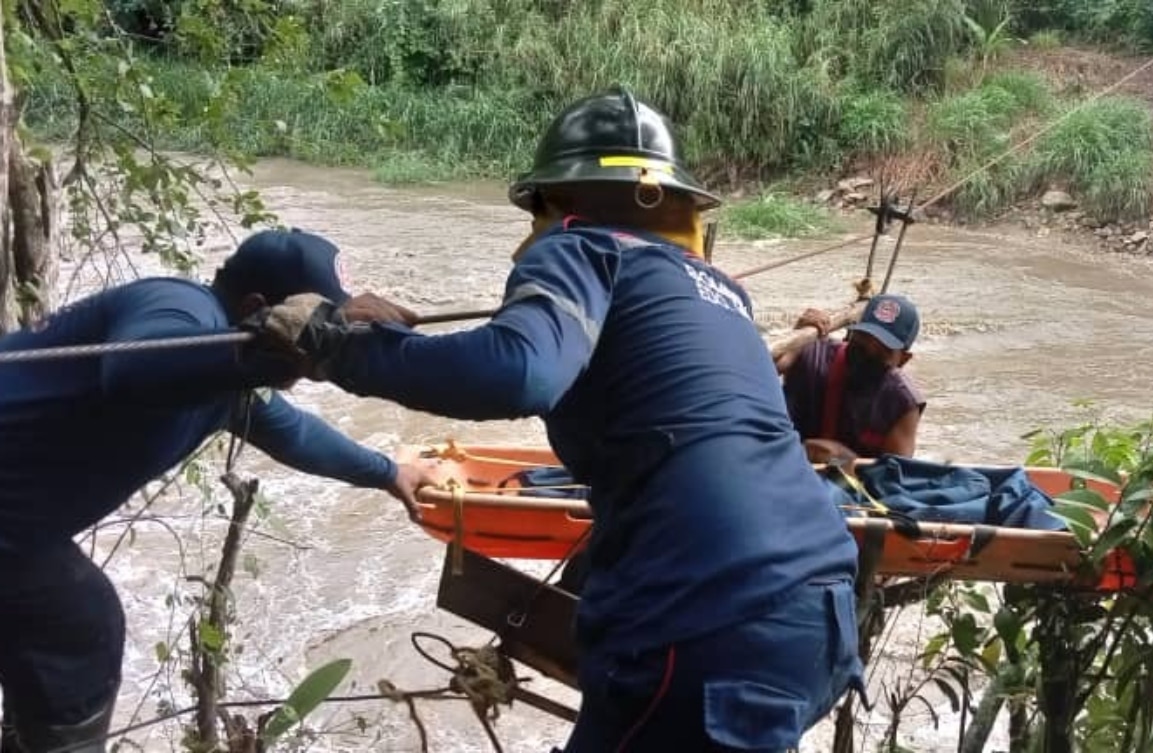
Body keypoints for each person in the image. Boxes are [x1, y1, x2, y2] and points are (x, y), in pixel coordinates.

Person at [246, 88, 865, 752]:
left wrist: (344, 346)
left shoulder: (581, 247)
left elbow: (517, 371)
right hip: (821, 605)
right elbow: (677, 447)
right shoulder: (720, 293)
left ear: (558, 201)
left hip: (713, 616)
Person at [0, 228, 428, 753]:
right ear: (256, 308)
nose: (314, 354)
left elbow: (296, 434)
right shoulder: (180, 305)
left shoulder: (226, 387)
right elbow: (133, 368)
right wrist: (264, 354)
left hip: (16, 530)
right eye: (309, 323)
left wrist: (389, 473)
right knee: (81, 629)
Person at [781, 294, 926, 466]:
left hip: (853, 486)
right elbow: (756, 372)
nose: (869, 352)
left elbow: (893, 478)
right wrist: (795, 338)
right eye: (863, 339)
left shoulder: (902, 401)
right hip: (785, 468)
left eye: (883, 350)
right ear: (851, 333)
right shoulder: (812, 355)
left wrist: (840, 459)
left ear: (903, 359)